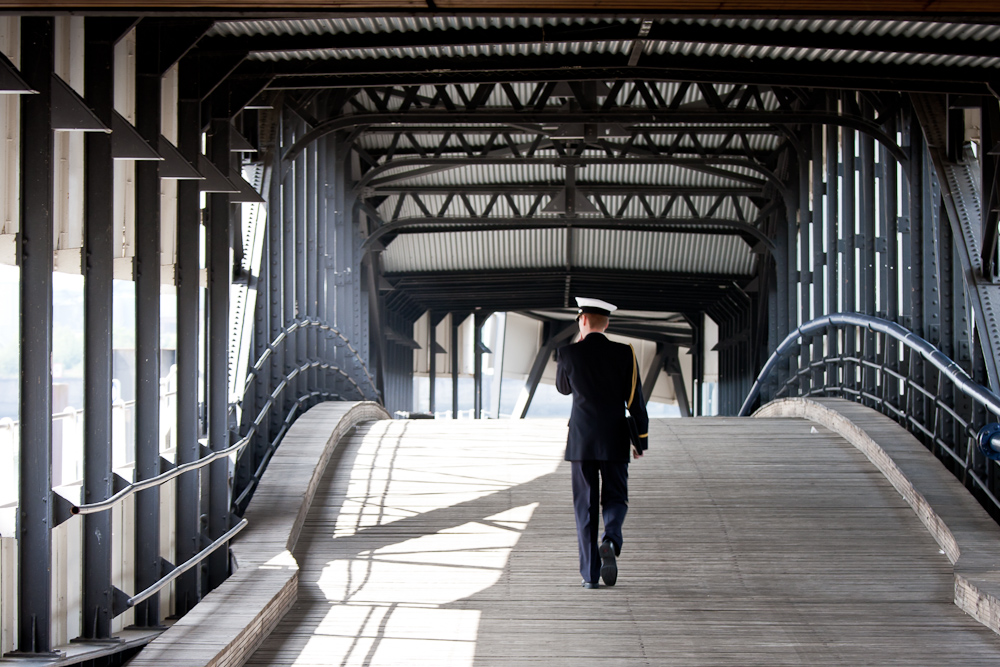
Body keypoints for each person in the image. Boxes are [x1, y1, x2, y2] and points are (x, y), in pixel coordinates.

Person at [556, 297, 649, 589]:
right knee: (616, 497)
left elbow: (563, 388)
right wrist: (640, 440)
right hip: (615, 437)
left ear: (582, 321)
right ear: (607, 323)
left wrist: (575, 351)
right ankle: (610, 538)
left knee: (585, 506)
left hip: (581, 441)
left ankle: (590, 576)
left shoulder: (567, 353)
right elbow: (635, 401)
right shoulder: (625, 352)